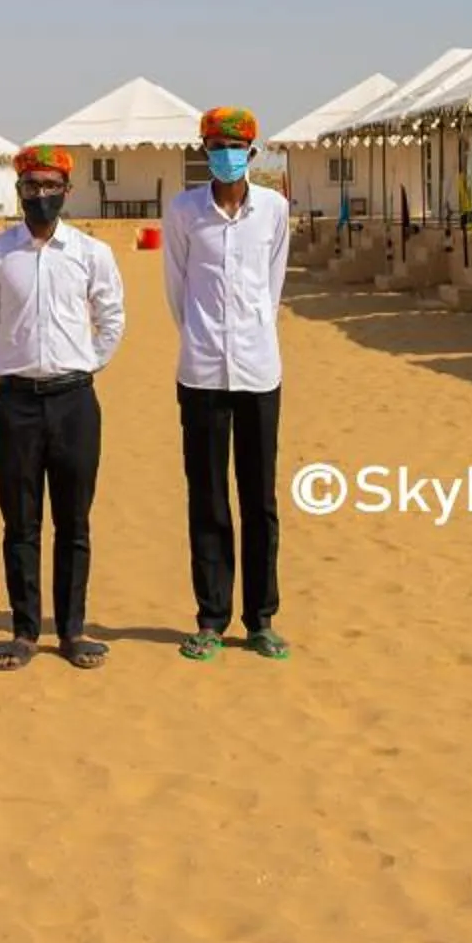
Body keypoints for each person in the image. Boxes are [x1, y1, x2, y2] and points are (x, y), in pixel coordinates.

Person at [0, 144, 126, 671]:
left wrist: (82, 364)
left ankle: (73, 631)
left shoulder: (90, 253)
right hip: (14, 404)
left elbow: (112, 318)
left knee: (74, 523)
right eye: (31, 187)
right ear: (18, 191)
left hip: (75, 401)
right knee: (20, 523)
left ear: (66, 190)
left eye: (50, 186)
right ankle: (24, 630)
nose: (40, 195)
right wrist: (16, 365)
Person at [164, 105, 293, 661]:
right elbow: (176, 289)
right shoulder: (184, 211)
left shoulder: (274, 210)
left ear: (251, 153)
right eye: (214, 145)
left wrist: (251, 333)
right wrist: (203, 336)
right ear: (203, 151)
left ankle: (260, 618)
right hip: (202, 373)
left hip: (260, 371)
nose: (224, 155)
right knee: (208, 497)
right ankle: (211, 616)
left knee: (258, 498)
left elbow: (274, 284)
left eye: (234, 146)